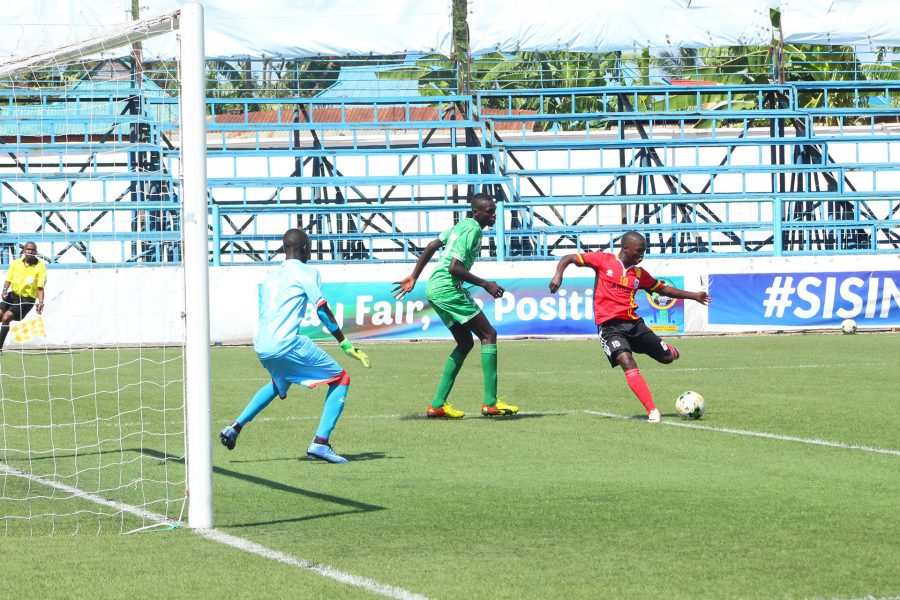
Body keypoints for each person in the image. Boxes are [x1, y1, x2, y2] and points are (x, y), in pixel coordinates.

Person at [219, 229, 371, 463]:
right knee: (341, 379)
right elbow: (321, 309)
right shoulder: (308, 272)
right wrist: (344, 343)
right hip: (286, 343)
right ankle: (320, 444)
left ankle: (235, 427)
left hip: (262, 346)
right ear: (305, 248)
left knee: (281, 380)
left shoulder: (270, 277)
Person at [548, 231, 710, 423]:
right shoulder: (602, 260)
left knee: (667, 358)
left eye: (644, 251)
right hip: (610, 328)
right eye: (639, 251)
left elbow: (663, 289)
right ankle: (652, 411)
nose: (642, 255)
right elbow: (569, 258)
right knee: (626, 360)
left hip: (634, 325)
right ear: (625, 248)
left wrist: (694, 296)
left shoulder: (639, 274)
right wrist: (558, 275)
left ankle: (670, 351)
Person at [392, 193, 519, 419]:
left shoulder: (461, 226)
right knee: (488, 334)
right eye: (489, 211)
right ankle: (490, 403)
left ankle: (438, 404)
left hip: (435, 288)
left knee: (465, 342)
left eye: (494, 210)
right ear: (477, 212)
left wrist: (414, 276)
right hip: (448, 289)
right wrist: (486, 284)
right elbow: (454, 268)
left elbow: (432, 245)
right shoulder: (473, 230)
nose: (493, 214)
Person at [0, 241, 47, 354]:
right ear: (24, 251)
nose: (30, 251)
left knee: (6, 317)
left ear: (35, 252)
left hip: (27, 300)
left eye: (32, 250)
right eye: (28, 249)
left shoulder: (40, 267)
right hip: (12, 296)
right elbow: (8, 280)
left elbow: (40, 288)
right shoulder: (16, 263)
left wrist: (40, 302)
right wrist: (5, 290)